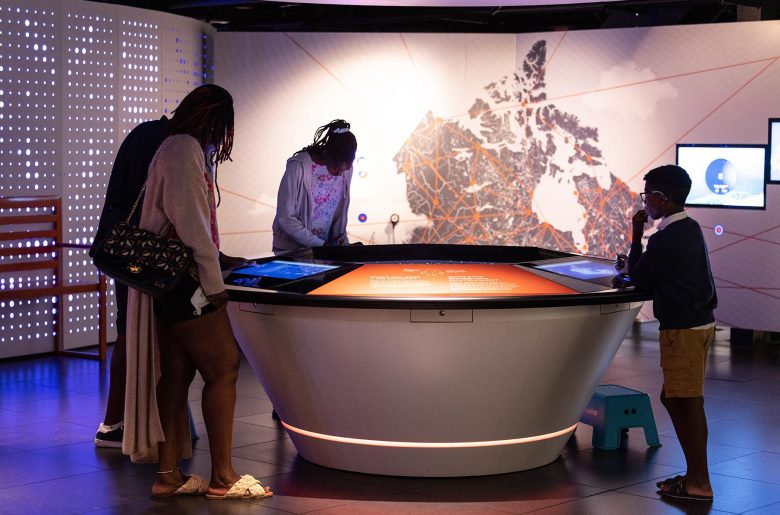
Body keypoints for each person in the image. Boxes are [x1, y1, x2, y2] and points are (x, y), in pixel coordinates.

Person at [123, 84, 272, 500]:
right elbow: (191, 225)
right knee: (223, 367)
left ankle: (167, 475)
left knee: (175, 374)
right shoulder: (185, 149)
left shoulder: (170, 145)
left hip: (166, 283)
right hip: (186, 280)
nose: (224, 137)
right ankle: (223, 477)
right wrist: (214, 283)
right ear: (215, 119)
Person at [620, 164, 717, 503]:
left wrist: (636, 235)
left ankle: (699, 483)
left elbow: (640, 278)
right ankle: (694, 475)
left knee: (686, 402)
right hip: (699, 324)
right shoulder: (690, 229)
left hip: (683, 330)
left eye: (647, 197)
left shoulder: (665, 237)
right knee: (675, 397)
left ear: (660, 198)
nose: (645, 204)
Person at [91, 115, 169, 447]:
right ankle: (117, 424)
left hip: (124, 247)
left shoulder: (145, 133)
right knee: (133, 334)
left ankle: (114, 423)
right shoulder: (169, 143)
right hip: (143, 251)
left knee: (126, 331)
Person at [272, 119, 357, 253]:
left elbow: (339, 215)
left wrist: (342, 243)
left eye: (345, 169)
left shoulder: (345, 172)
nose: (339, 173)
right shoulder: (299, 167)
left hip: (323, 250)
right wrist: (321, 244)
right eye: (336, 167)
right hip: (291, 251)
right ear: (326, 153)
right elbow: (286, 218)